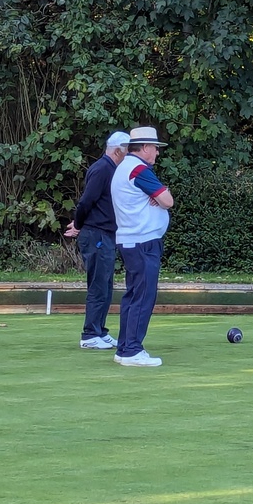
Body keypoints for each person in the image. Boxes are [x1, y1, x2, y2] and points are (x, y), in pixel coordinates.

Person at [110, 126, 174, 367]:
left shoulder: (123, 168)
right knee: (143, 296)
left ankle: (125, 347)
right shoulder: (139, 169)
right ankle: (132, 350)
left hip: (131, 240)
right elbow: (168, 200)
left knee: (133, 295)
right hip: (143, 241)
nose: (157, 153)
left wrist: (157, 196)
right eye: (156, 149)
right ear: (146, 148)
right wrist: (160, 196)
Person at [64, 130, 129, 350]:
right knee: (98, 284)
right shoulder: (102, 169)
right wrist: (79, 225)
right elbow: (86, 202)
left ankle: (100, 331)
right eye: (128, 150)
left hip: (104, 234)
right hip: (96, 234)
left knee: (106, 284)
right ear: (118, 150)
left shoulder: (112, 169)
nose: (130, 155)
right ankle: (90, 334)